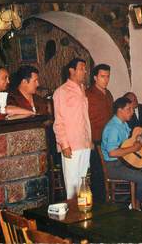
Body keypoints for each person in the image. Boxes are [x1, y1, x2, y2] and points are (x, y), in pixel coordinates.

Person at [101, 97, 142, 209]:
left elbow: (127, 142)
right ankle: (137, 203)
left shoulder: (123, 124)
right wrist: (134, 148)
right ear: (119, 110)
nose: (132, 112)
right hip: (114, 166)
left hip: (125, 160)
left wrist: (137, 140)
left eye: (132, 108)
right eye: (129, 109)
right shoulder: (113, 128)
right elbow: (112, 153)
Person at [53, 58, 92, 199]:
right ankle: (72, 217)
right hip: (71, 145)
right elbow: (59, 121)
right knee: (72, 188)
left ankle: (82, 216)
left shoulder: (82, 89)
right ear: (72, 70)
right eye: (82, 68)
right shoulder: (61, 92)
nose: (85, 71)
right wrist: (64, 145)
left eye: (85, 68)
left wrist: (89, 141)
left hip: (84, 143)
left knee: (83, 185)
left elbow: (84, 118)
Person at [86, 64, 113, 203]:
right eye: (103, 76)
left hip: (108, 140)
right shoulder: (88, 94)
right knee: (97, 175)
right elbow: (84, 119)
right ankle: (99, 204)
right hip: (95, 140)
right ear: (95, 77)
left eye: (108, 76)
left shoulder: (108, 94)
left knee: (107, 173)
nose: (106, 79)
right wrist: (88, 139)